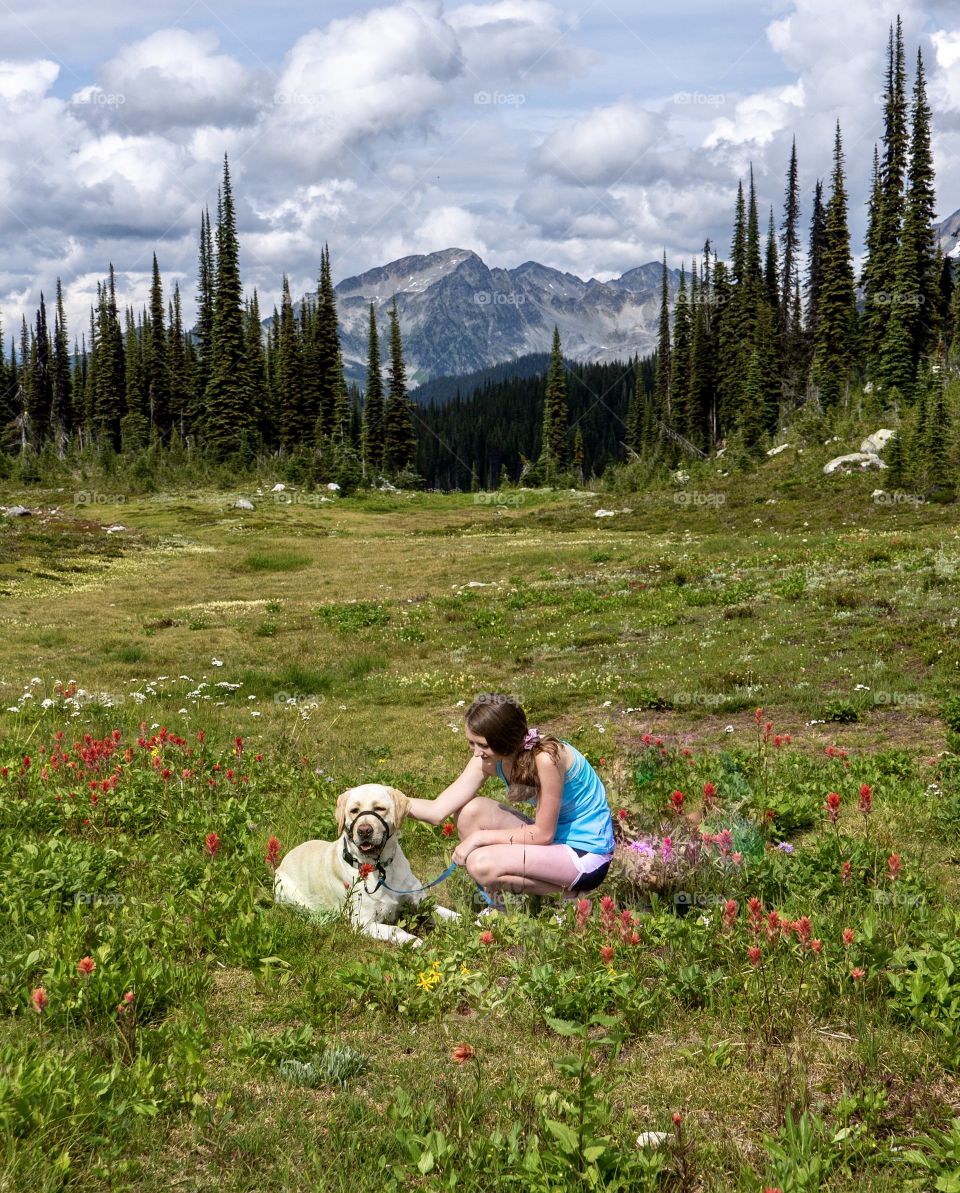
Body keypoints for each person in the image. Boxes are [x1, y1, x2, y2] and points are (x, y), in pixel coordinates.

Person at [407, 693, 615, 901]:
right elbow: (436, 811)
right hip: (552, 844)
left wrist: (478, 839)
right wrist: (388, 797)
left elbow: (543, 834)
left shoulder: (546, 758)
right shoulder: (490, 758)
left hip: (585, 853)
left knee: (480, 863)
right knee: (469, 812)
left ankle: (571, 893)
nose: (477, 752)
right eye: (471, 743)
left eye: (483, 745)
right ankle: (498, 907)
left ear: (505, 741)